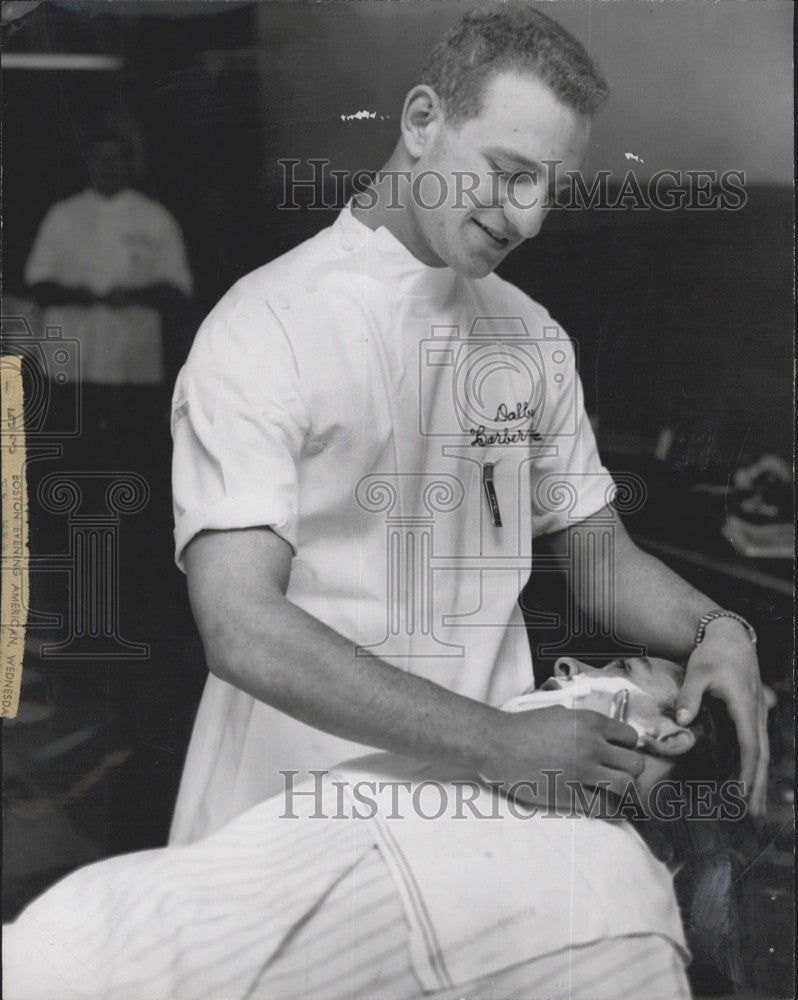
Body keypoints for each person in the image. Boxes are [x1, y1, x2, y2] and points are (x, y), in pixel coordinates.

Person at [169, 4, 767, 849]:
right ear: (422, 121)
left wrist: (720, 630)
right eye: (510, 172)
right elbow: (240, 624)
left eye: (551, 189)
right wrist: (495, 741)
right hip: (288, 812)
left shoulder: (529, 336)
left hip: (480, 817)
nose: (529, 219)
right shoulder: (266, 324)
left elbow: (601, 562)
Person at [2, 654, 739, 1000]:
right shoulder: (447, 771)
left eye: (625, 667)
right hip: (97, 930)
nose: (573, 661)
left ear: (667, 735)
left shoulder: (617, 905)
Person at [25, 124, 193, 468]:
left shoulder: (154, 217)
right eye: (99, 158)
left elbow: (178, 289)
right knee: (71, 458)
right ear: (87, 163)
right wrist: (79, 294)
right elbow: (36, 281)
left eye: (116, 158)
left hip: (132, 363)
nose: (107, 166)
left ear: (130, 163)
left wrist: (134, 295)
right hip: (71, 363)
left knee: (130, 457)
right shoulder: (63, 215)